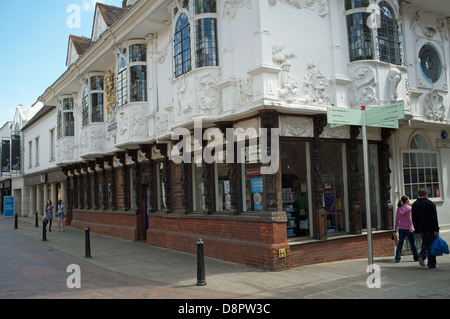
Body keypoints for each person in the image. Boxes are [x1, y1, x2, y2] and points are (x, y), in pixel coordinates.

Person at [412, 188, 440, 269]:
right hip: (430, 228)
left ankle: (422, 255)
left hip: (421, 228)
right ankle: (431, 263)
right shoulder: (430, 204)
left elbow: (414, 218)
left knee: (425, 242)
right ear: (426, 194)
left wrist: (416, 229)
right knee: (431, 245)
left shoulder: (415, 204)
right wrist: (436, 229)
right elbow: (434, 218)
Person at [394, 196, 419, 263]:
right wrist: (411, 228)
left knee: (400, 243)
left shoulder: (398, 209)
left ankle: (397, 257)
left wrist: (395, 228)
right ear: (407, 201)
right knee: (412, 243)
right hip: (408, 228)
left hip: (401, 228)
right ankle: (416, 257)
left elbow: (397, 219)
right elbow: (410, 219)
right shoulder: (410, 208)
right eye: (408, 199)